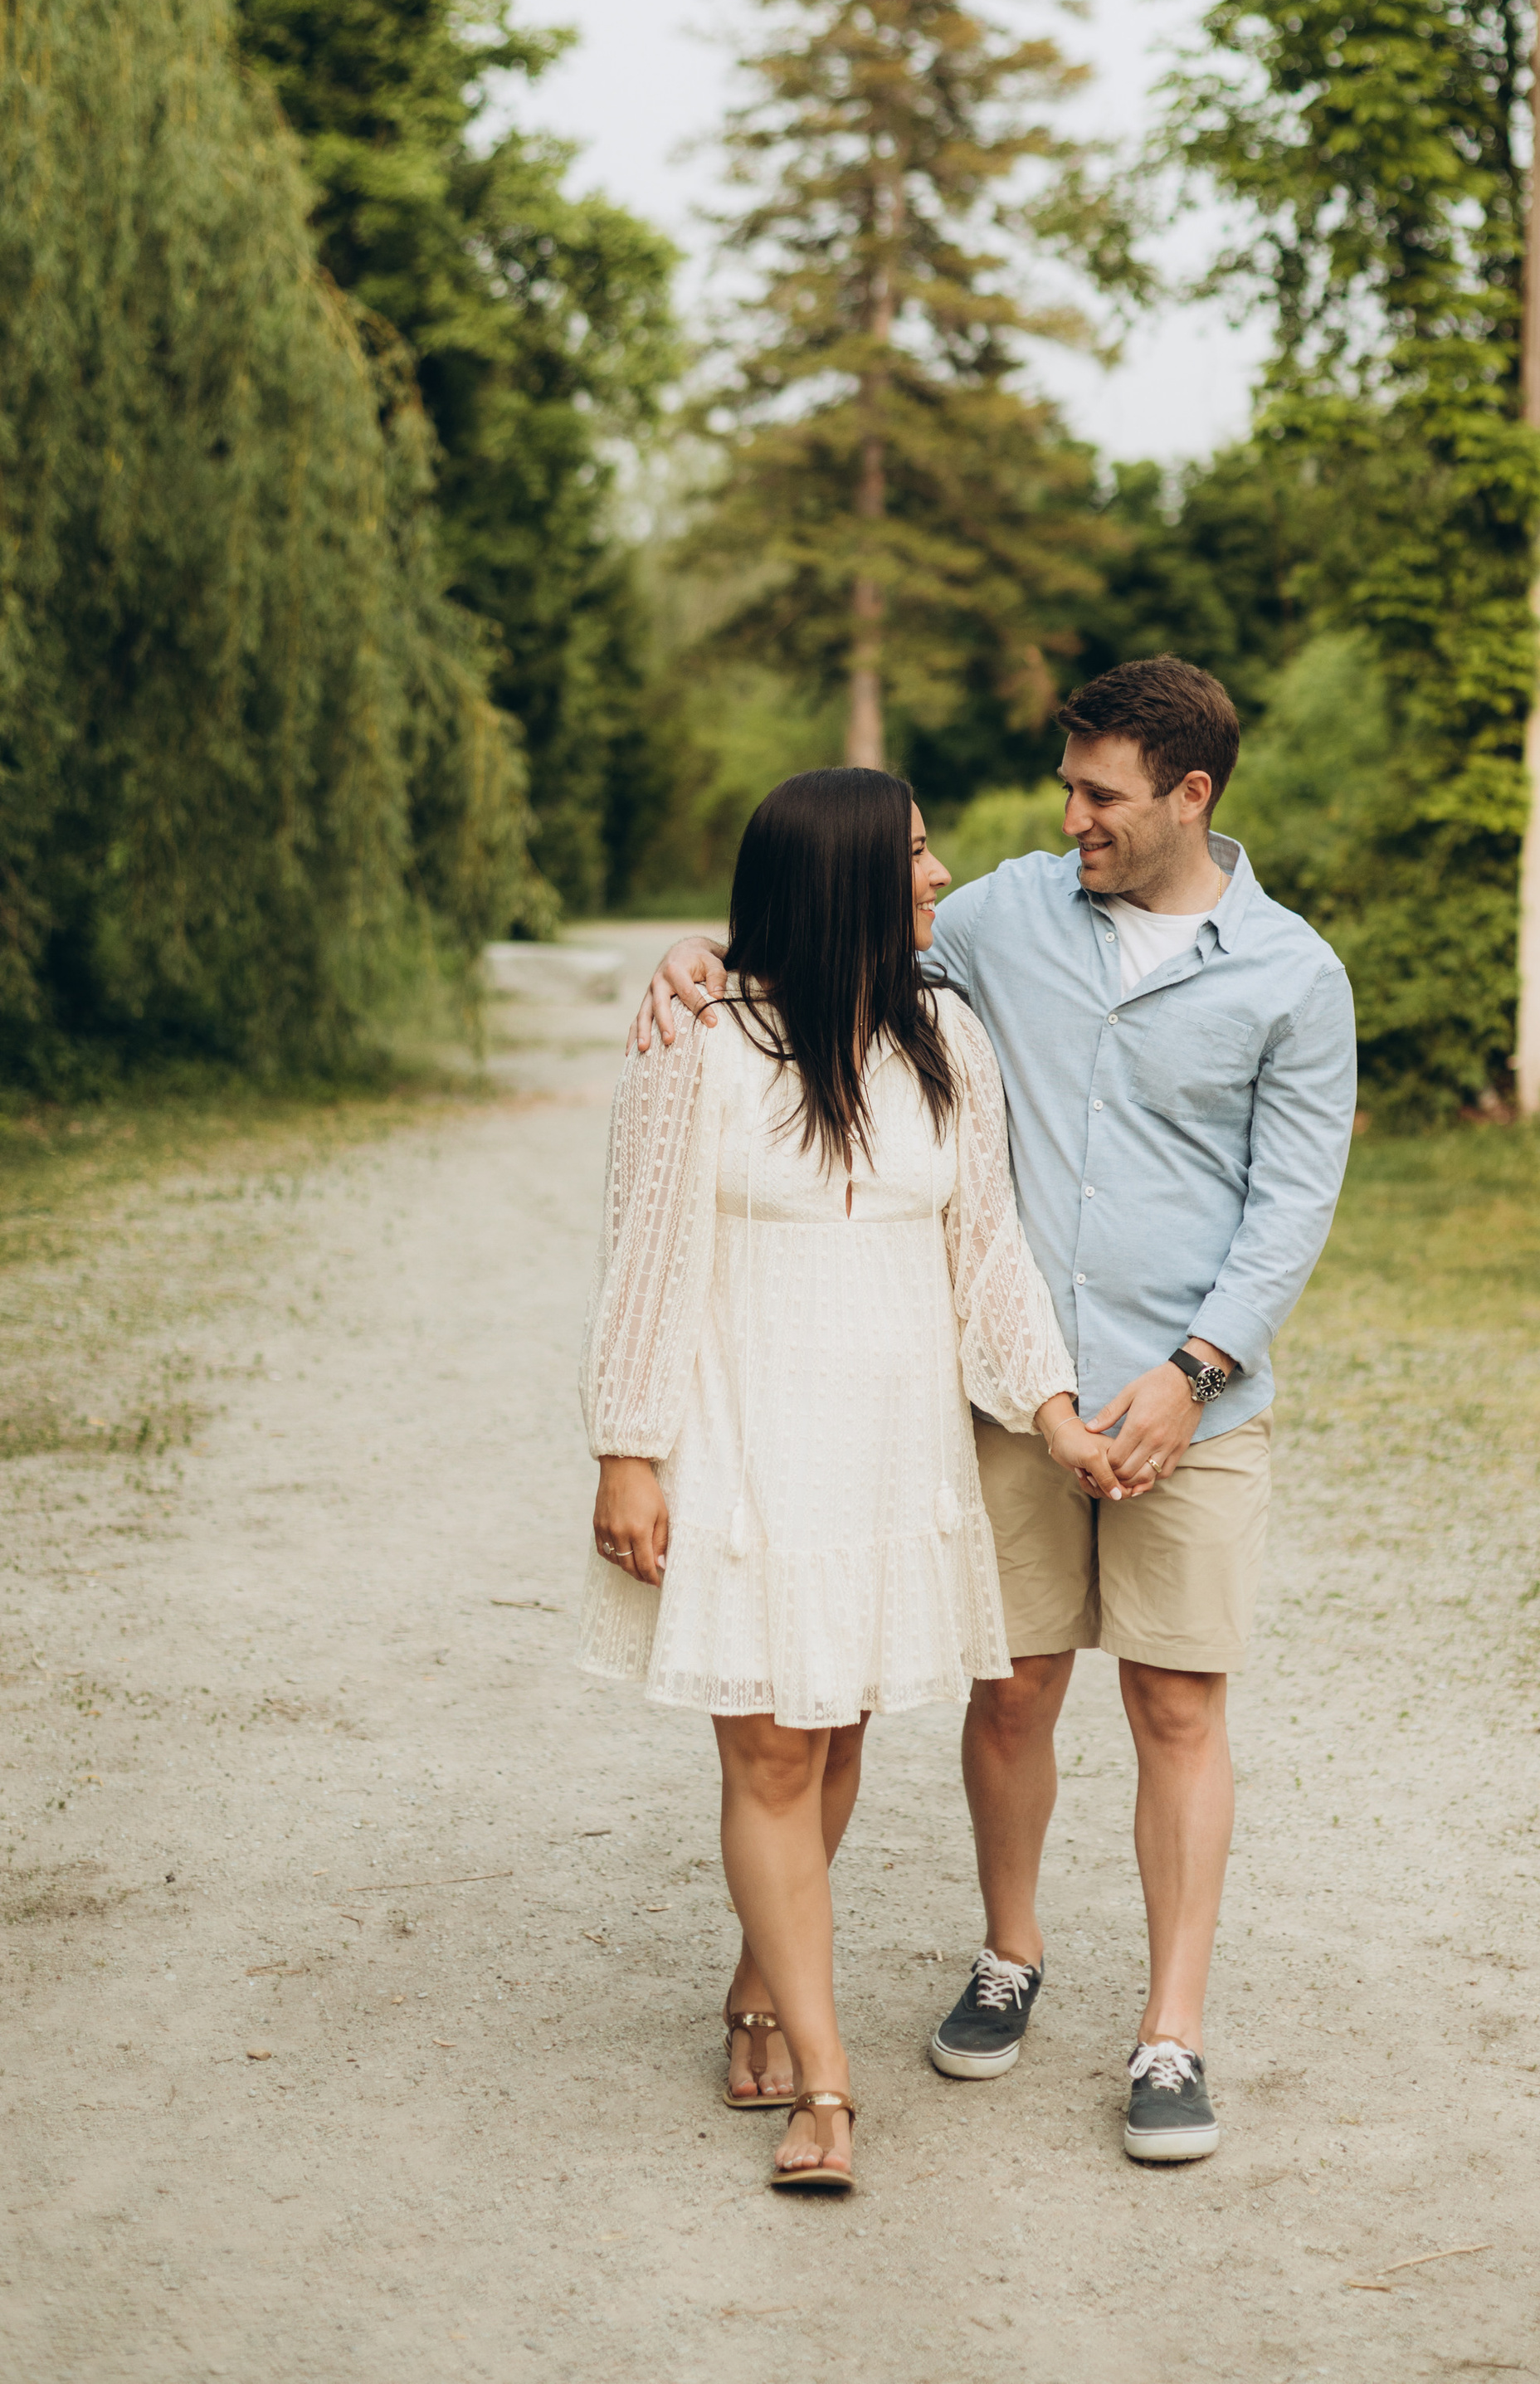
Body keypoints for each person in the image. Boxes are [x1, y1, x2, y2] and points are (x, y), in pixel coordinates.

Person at [636, 656, 1358, 2165]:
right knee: (1013, 1688)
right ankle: (1009, 1953)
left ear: (1190, 796)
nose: (1070, 818)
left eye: (1100, 795)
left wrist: (1193, 1374)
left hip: (1193, 1401)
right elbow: (819, 930)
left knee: (1175, 1701)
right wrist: (697, 956)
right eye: (1069, 787)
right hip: (1011, 1397)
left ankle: (1172, 2035)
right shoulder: (1001, 917)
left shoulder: (1295, 975)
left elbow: (1290, 1210)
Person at [580, 767, 1120, 2197]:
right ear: (845, 884)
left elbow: (989, 1251)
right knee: (767, 1747)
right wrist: (626, 1450)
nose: (939, 878)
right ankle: (827, 2079)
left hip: (888, 1447)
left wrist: (1056, 1417)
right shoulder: (697, 1043)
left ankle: (763, 1971)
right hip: (746, 1427)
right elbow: (640, 1255)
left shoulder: (947, 1035)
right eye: (919, 856)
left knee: (832, 1736)